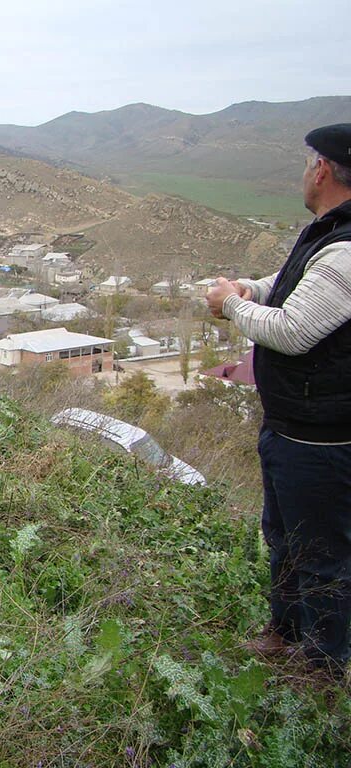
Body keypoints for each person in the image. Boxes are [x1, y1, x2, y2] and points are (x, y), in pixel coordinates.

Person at [207, 123, 351, 682]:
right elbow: (288, 287)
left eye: (308, 163)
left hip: (324, 441)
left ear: (321, 170)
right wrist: (249, 289)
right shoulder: (326, 234)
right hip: (294, 429)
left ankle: (320, 671)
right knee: (285, 539)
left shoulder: (345, 249)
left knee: (323, 559)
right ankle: (284, 634)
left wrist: (229, 307)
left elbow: (293, 330)